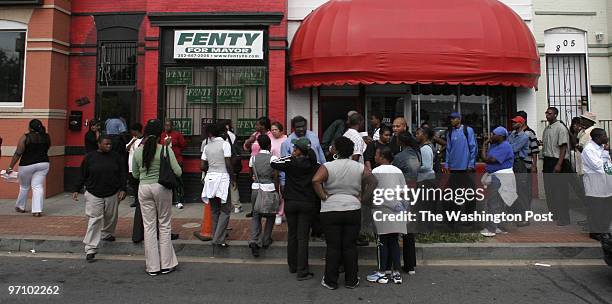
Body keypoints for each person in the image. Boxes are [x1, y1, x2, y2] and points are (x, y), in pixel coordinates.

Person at [312, 136, 377, 290]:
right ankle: (351, 280)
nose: (331, 148)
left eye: (333, 146)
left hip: (330, 209)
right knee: (350, 246)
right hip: (352, 208)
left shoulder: (327, 166)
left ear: (336, 149)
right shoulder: (358, 167)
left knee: (333, 246)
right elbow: (373, 182)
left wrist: (323, 196)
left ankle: (330, 281)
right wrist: (362, 198)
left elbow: (315, 180)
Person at [132, 119, 181, 275]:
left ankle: (152, 267)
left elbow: (135, 174)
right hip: (161, 188)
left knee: (149, 227)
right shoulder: (165, 150)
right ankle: (166, 264)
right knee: (164, 225)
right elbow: (178, 171)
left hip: (143, 188)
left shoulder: (138, 151)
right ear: (161, 133)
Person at [72, 135, 127, 262]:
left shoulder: (116, 157)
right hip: (93, 192)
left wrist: (123, 188)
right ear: (99, 144)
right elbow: (82, 174)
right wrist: (76, 189)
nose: (109, 146)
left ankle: (107, 233)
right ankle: (90, 248)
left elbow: (122, 173)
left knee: (111, 216)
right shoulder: (89, 157)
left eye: (110, 144)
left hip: (112, 192)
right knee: (95, 219)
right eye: (106, 144)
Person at [271, 137, 319, 281]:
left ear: (298, 150)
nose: (293, 150)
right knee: (303, 237)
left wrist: (290, 156)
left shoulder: (290, 162)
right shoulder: (313, 164)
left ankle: (292, 265)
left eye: (295, 148)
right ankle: (302, 270)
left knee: (292, 234)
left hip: (291, 202)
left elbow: (274, 162)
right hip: (307, 202)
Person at [366, 145, 407, 285]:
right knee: (394, 242)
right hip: (397, 210)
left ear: (382, 157)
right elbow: (403, 192)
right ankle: (396, 273)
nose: (375, 157)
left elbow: (371, 191)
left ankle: (382, 273)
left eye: (376, 154)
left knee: (382, 242)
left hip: (381, 210)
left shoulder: (376, 171)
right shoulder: (398, 171)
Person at [281, 116, 326, 238]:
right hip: (297, 180)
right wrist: (283, 183)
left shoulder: (313, 137)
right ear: (293, 127)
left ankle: (317, 231)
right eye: (298, 127)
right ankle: (302, 233)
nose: (301, 129)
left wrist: (326, 172)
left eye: (303, 126)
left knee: (317, 205)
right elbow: (284, 165)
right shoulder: (287, 142)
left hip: (316, 176)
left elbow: (321, 156)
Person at [7, 119, 51, 217]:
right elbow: (47, 148)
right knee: (38, 186)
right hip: (43, 163)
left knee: (24, 186)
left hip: (27, 164)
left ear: (30, 127)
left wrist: (10, 166)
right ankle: (37, 210)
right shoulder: (46, 137)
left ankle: (20, 206)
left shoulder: (25, 137)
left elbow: (18, 153)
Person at [200, 122, 234, 246]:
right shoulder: (225, 145)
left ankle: (216, 236)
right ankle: (218, 239)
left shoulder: (207, 147)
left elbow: (202, 166)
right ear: (222, 133)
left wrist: (211, 170)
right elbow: (228, 164)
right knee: (225, 210)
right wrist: (233, 178)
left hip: (210, 178)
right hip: (223, 178)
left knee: (215, 210)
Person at [391, 132, 420, 274]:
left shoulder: (399, 157)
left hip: (402, 193)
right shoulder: (417, 153)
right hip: (414, 193)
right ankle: (410, 265)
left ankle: (393, 263)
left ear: (400, 142)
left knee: (397, 228)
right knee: (410, 229)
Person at [480, 127, 515, 237]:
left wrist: (484, 146)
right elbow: (487, 158)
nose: (491, 135)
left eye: (493, 134)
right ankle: (499, 226)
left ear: (501, 136)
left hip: (502, 177)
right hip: (496, 176)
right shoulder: (495, 145)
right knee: (497, 203)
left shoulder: (505, 146)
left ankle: (491, 229)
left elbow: (489, 159)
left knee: (494, 203)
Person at [445, 112, 477, 227]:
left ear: (459, 119)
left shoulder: (468, 130)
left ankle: (469, 218)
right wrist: (447, 165)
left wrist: (471, 164)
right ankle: (452, 219)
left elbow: (473, 148)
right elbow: (448, 150)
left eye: (453, 119)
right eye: (451, 119)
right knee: (454, 194)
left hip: (466, 168)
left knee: (469, 194)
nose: (451, 121)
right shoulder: (449, 132)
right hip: (454, 168)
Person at [542, 107, 573, 226]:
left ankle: (564, 218)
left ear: (555, 115)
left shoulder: (560, 128)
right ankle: (554, 214)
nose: (547, 115)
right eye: (546, 113)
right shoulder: (547, 128)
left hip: (557, 161)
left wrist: (559, 164)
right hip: (548, 160)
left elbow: (563, 147)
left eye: (549, 113)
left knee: (560, 191)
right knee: (550, 190)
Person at [248, 135, 278, 257]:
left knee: (256, 215)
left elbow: (251, 173)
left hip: (256, 188)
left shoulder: (253, 158)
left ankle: (254, 240)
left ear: (259, 145)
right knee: (270, 214)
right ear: (269, 145)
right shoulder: (273, 158)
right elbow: (276, 175)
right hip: (269, 188)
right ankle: (266, 240)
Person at [581, 128, 612, 240]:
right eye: (604, 135)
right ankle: (595, 232)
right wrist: (605, 153)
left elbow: (608, 166)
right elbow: (598, 166)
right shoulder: (589, 149)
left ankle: (604, 230)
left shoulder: (601, 148)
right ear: (597, 137)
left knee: (606, 209)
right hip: (594, 184)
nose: (607, 137)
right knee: (596, 209)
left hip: (606, 184)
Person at [515, 111, 540, 218]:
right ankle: (520, 210)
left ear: (523, 120)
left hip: (527, 165)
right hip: (518, 165)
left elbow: (534, 150)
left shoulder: (530, 133)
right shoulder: (515, 133)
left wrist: (534, 165)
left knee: (526, 189)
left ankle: (526, 210)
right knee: (519, 189)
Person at [508, 116, 531, 225]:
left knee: (521, 192)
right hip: (511, 164)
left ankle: (525, 218)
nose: (513, 124)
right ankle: (515, 215)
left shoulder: (524, 136)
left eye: (515, 122)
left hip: (519, 164)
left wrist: (507, 146)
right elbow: (507, 146)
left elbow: (513, 149)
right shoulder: (512, 134)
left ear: (521, 123)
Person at [161, 119, 186, 209]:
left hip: (176, 159)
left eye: (169, 125)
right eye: (166, 125)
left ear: (172, 126)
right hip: (165, 160)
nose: (167, 127)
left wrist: (176, 149)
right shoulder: (162, 135)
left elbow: (183, 145)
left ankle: (179, 200)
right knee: (166, 180)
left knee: (178, 180)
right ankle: (168, 200)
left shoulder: (177, 134)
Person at [218, 119, 242, 215]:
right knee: (233, 182)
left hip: (220, 162)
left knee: (221, 184)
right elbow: (236, 148)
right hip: (231, 161)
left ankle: (223, 204)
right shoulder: (231, 135)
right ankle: (236, 205)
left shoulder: (216, 136)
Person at [270, 121, 288, 225]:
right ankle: (278, 212)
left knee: (283, 191)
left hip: (284, 168)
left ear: (281, 130)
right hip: (273, 169)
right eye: (272, 130)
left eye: (276, 130)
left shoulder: (286, 139)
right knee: (276, 192)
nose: (274, 132)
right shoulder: (270, 139)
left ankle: (281, 213)